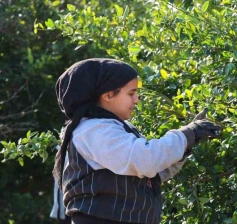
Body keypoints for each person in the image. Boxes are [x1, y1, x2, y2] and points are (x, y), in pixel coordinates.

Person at [52, 58, 222, 224]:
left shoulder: (116, 127)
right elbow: (145, 160)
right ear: (108, 94)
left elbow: (153, 173)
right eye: (131, 93)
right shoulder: (94, 130)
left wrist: (188, 143)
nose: (137, 99)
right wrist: (186, 135)